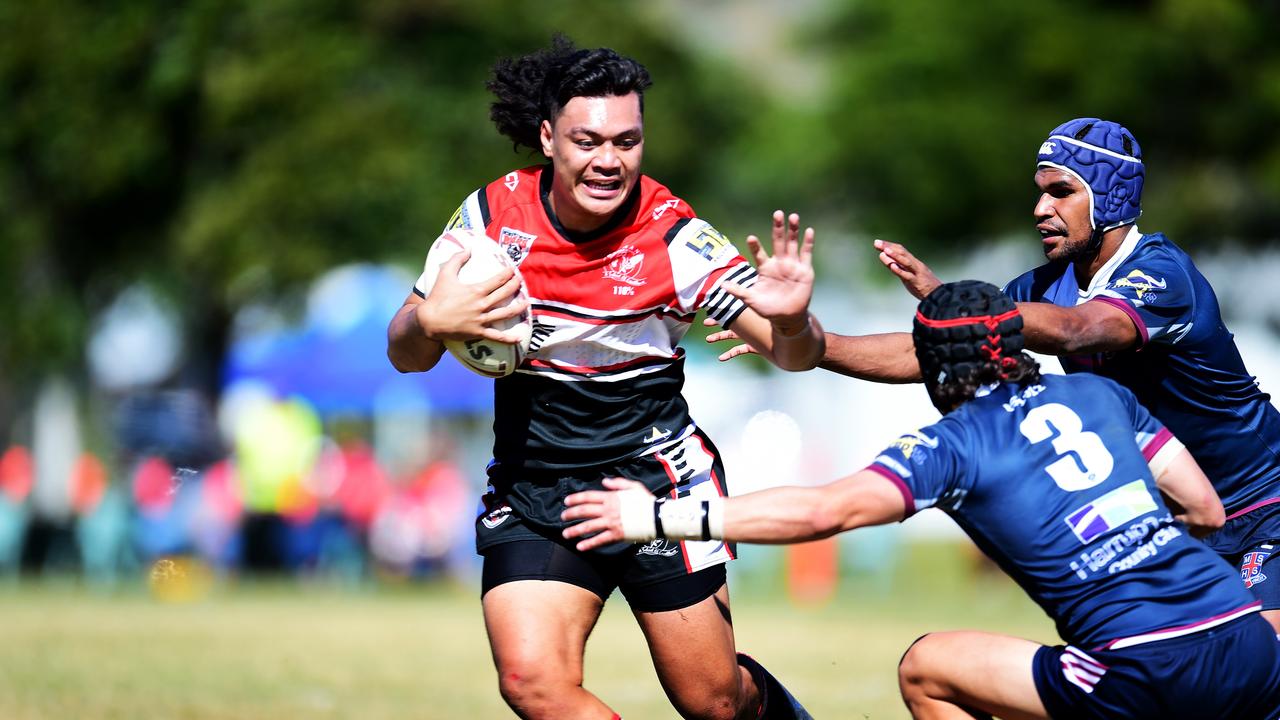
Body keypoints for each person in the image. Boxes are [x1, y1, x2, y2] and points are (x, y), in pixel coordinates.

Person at [566, 281, 1280, 719]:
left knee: (926, 668)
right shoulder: (1098, 392)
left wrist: (655, 515)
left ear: (933, 369)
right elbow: (1207, 510)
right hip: (1248, 641)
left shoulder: (951, 446)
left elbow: (823, 512)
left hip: (1143, 670)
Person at [386, 37, 823, 720]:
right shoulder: (491, 219)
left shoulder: (675, 239)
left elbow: (793, 355)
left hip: (655, 484)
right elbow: (405, 352)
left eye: (627, 141)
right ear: (547, 137)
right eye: (587, 141)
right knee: (533, 683)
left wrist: (793, 320)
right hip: (536, 488)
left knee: (713, 702)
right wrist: (430, 320)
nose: (608, 161)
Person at [712, 118, 1280, 632]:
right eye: (1039, 193)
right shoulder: (1039, 289)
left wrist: (956, 307)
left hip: (1263, 504)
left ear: (1108, 196)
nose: (1040, 209)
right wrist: (806, 342)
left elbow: (1081, 330)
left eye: (1061, 192)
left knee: (1262, 667)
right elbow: (927, 355)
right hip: (1176, 518)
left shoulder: (1160, 273)